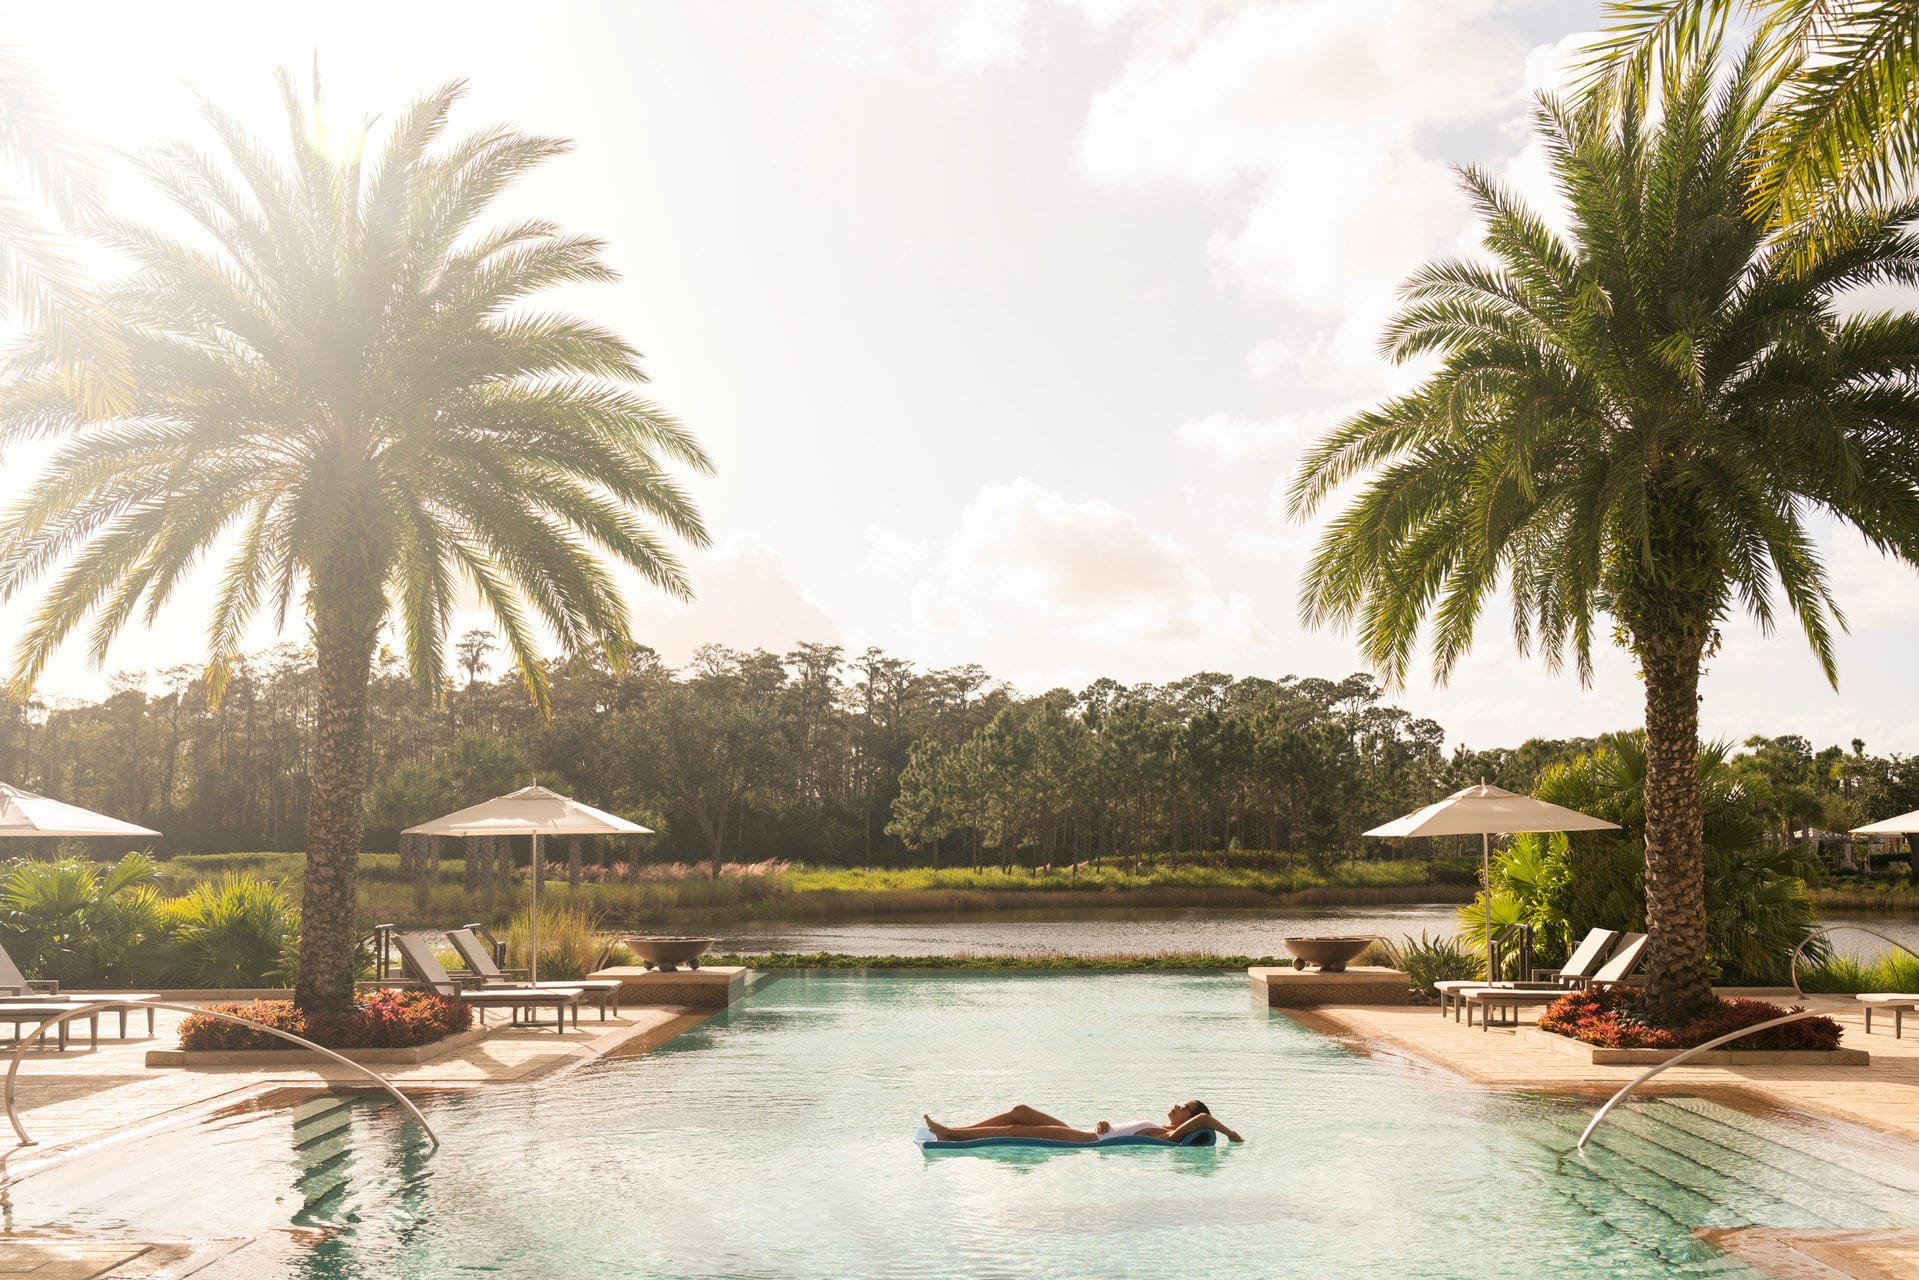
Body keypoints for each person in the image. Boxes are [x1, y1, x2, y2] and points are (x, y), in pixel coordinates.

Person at [921, 1100, 1242, 1144]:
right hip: (1090, 1131)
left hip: (1089, 1142)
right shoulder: (1161, 1126)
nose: (1175, 1106)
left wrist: (1231, 1134)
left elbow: (1205, 1119)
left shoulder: (1171, 1136)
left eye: (1182, 1105)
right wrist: (1105, 1121)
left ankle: (950, 1134)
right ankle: (958, 1127)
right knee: (1020, 1111)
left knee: (1015, 1129)